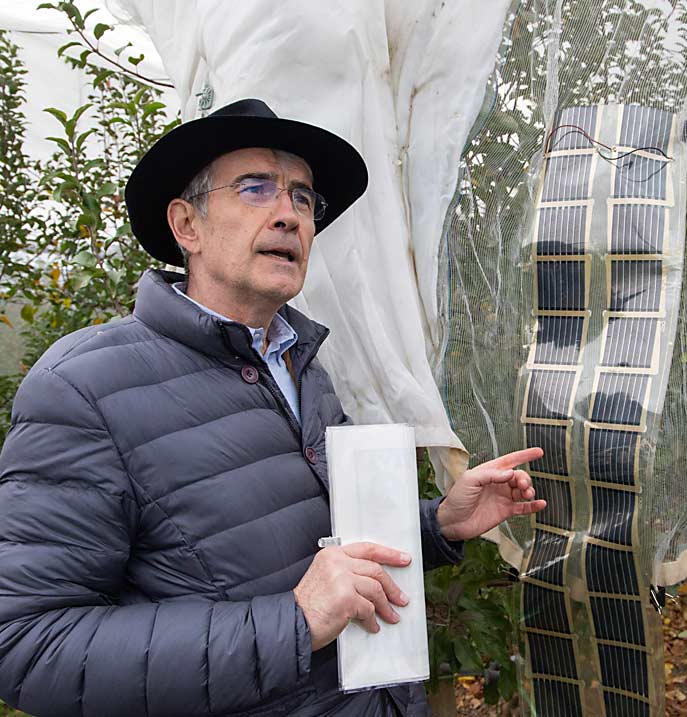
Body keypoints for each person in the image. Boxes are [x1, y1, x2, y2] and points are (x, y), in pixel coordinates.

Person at [0, 99, 546, 716]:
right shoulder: (85, 387)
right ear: (187, 226)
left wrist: (437, 523)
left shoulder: (301, 363)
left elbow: (314, 547)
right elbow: (26, 645)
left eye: (305, 199)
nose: (290, 215)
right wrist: (291, 623)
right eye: (256, 189)